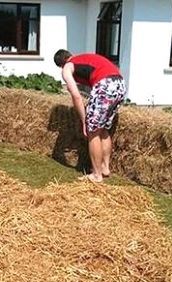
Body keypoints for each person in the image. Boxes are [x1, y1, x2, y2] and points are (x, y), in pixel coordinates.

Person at [54, 49, 127, 183]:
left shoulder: (67, 68)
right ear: (70, 55)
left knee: (93, 131)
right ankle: (105, 168)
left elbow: (76, 96)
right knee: (103, 129)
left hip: (105, 85)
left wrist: (84, 121)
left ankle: (96, 175)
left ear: (60, 64)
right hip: (120, 84)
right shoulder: (83, 58)